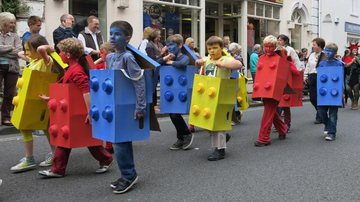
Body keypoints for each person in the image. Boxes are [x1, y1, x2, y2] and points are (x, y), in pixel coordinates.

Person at [38, 38, 113, 178]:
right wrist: (51, 99)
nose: (59, 55)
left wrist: (90, 112)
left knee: (73, 140)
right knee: (82, 140)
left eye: (60, 52)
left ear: (67, 54)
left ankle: (58, 169)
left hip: (78, 112)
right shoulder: (73, 69)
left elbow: (86, 91)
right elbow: (69, 92)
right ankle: (105, 159)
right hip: (73, 111)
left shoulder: (75, 71)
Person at [105, 21, 144, 194]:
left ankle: (129, 175)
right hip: (113, 106)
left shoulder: (128, 57)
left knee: (120, 142)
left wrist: (140, 106)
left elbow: (139, 82)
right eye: (111, 33)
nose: (113, 37)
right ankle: (127, 173)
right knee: (119, 142)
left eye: (117, 34)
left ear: (127, 38)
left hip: (126, 106)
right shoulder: (109, 57)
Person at [10, 35, 56, 172]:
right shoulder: (34, 60)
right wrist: (25, 52)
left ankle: (38, 158)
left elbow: (43, 48)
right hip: (32, 100)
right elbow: (23, 54)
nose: (26, 53)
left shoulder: (46, 61)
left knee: (43, 127)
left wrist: (43, 47)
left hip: (38, 100)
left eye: (28, 50)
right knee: (32, 127)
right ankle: (42, 156)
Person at [195, 36, 242, 160]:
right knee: (206, 121)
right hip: (208, 96)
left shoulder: (225, 58)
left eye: (215, 48)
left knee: (218, 125)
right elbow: (200, 67)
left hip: (221, 96)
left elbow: (238, 64)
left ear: (221, 48)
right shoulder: (207, 59)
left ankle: (220, 150)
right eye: (209, 48)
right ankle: (223, 138)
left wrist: (222, 64)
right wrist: (198, 63)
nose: (212, 51)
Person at [157, 34, 194, 151]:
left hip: (182, 91)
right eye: (168, 46)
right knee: (172, 114)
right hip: (171, 92)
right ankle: (181, 137)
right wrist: (164, 58)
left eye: (172, 45)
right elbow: (156, 64)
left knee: (174, 114)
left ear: (180, 45)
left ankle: (186, 134)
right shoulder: (169, 57)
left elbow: (183, 63)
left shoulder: (183, 56)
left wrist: (170, 63)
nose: (169, 48)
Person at [253, 35, 289, 147]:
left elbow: (287, 63)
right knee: (271, 113)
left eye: (271, 46)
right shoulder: (261, 57)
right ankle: (283, 129)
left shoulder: (280, 57)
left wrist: (281, 50)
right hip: (264, 90)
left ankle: (263, 138)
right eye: (266, 46)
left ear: (275, 47)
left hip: (274, 91)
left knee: (268, 113)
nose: (268, 49)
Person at [276, 34, 304, 132]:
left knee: (285, 103)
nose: (279, 41)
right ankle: (279, 123)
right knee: (276, 103)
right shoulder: (275, 50)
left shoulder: (290, 50)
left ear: (285, 41)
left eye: (281, 40)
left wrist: (298, 75)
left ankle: (287, 124)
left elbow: (296, 62)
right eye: (278, 39)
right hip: (277, 78)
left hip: (287, 78)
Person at [317, 43, 343, 141]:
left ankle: (332, 133)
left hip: (335, 93)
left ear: (335, 53)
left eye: (329, 51)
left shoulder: (339, 64)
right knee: (321, 111)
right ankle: (327, 125)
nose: (327, 53)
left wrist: (341, 92)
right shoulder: (322, 64)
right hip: (323, 93)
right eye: (326, 50)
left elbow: (341, 79)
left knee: (333, 114)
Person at [0, 12, 22, 126]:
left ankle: (6, 117)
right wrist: (10, 48)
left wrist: (3, 52)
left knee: (10, 93)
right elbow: (13, 50)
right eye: (11, 22)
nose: (13, 25)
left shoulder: (15, 36)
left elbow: (18, 52)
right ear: (4, 23)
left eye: (14, 22)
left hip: (12, 67)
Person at [304, 38, 326, 124]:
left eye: (314, 45)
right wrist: (305, 75)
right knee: (312, 98)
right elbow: (308, 66)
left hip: (321, 77)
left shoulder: (325, 55)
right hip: (312, 76)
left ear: (320, 46)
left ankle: (319, 116)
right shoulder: (312, 55)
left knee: (320, 97)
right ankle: (321, 112)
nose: (312, 46)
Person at [343, 43, 360, 109]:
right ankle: (352, 100)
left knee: (356, 89)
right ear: (351, 50)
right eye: (354, 50)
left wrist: (357, 60)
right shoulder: (347, 57)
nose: (355, 51)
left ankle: (355, 102)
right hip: (348, 75)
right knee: (348, 89)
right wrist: (352, 61)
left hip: (356, 75)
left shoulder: (359, 56)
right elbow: (346, 65)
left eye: (356, 50)